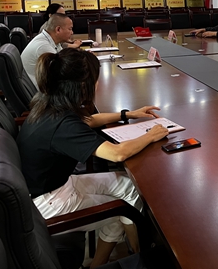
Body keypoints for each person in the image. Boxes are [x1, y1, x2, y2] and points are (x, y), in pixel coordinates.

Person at [17, 48, 169, 268]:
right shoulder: (63, 124)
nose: (97, 84)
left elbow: (89, 121)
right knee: (123, 209)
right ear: (82, 86)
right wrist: (151, 135)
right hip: (49, 201)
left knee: (128, 186)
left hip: (50, 186)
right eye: (95, 80)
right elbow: (117, 153)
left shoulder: (50, 103)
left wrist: (128, 114)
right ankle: (140, 257)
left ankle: (102, 262)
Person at [21, 13, 82, 87]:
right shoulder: (43, 46)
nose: (72, 32)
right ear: (58, 29)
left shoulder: (53, 41)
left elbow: (64, 59)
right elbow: (63, 72)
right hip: (41, 90)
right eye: (70, 29)